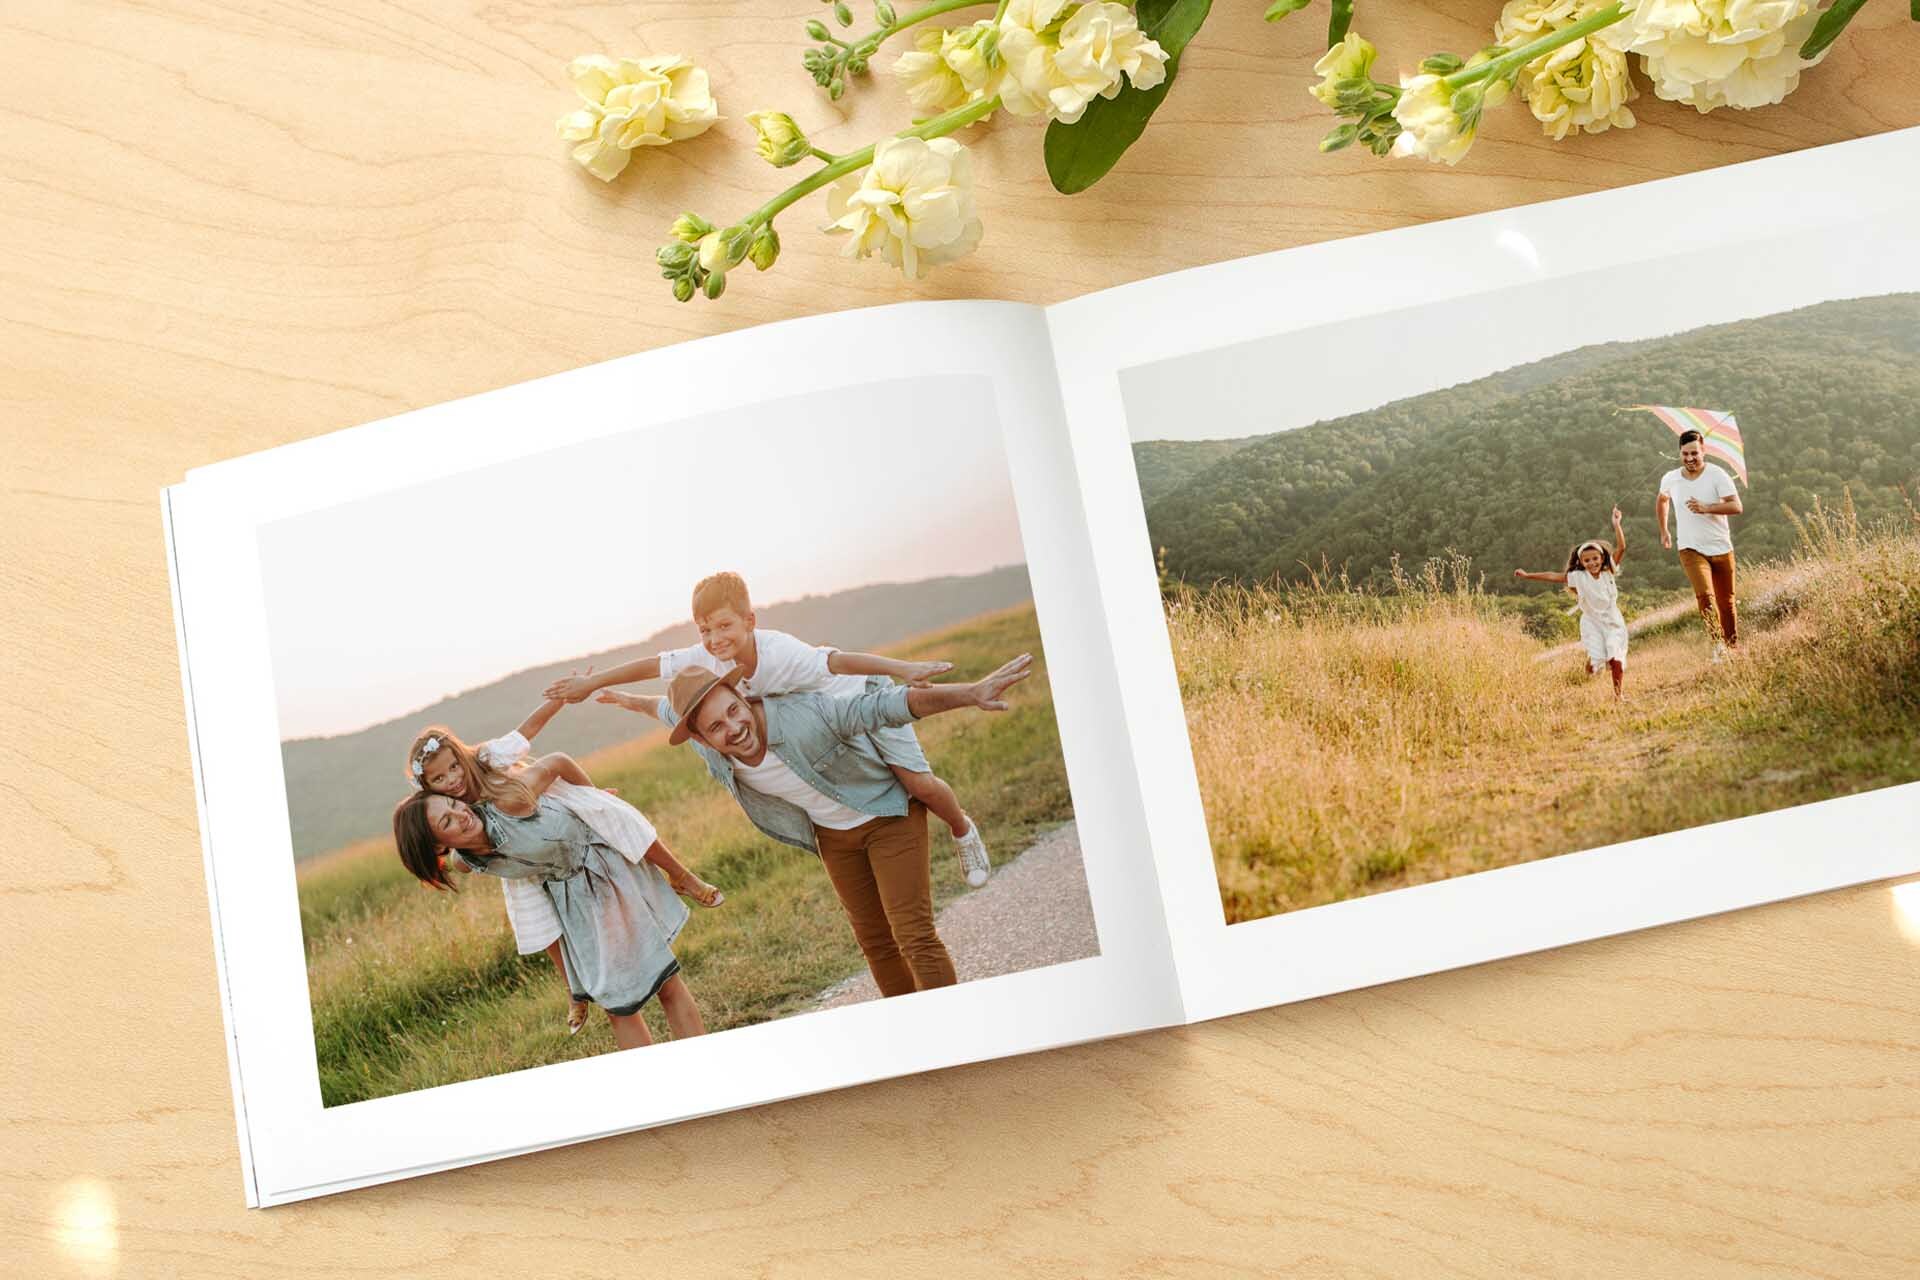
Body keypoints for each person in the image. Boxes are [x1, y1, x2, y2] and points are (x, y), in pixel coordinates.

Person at [602, 653, 1034, 998]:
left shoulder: (803, 716)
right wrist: (626, 699)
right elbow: (662, 708)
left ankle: (955, 1036)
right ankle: (916, 1039)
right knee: (876, 945)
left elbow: (884, 707)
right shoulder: (708, 747)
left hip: (887, 814)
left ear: (742, 696)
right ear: (699, 738)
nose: (734, 727)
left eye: (734, 710)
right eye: (716, 726)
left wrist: (969, 693)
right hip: (834, 840)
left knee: (913, 936)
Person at [545, 571, 995, 887]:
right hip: (820, 728)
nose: (715, 639)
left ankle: (962, 830)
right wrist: (597, 686)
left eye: (724, 625)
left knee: (916, 782)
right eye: (705, 630)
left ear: (750, 621)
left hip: (859, 700)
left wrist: (902, 668)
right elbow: (652, 668)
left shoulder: (781, 652)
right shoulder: (706, 658)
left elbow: (840, 661)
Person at [406, 705, 721, 1034]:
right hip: (525, 859)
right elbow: (452, 849)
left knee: (616, 818)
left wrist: (591, 795)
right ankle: (573, 989)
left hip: (546, 817)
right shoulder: (454, 817)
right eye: (439, 779)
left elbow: (531, 735)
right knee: (532, 915)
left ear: (461, 756)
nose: (452, 779)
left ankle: (682, 875)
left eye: (454, 767)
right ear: (428, 788)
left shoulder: (487, 760)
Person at [1516, 506, 1630, 700]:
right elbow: (1553, 576)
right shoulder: (1578, 577)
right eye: (1587, 560)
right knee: (1597, 661)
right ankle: (1588, 671)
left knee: (1615, 656)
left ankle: (1618, 696)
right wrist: (1528, 576)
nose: (1592, 563)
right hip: (1592, 622)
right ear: (1582, 563)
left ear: (1602, 558)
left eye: (1595, 559)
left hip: (1613, 621)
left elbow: (1622, 547)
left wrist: (1616, 524)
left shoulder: (1608, 571)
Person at [1656, 429, 1744, 661]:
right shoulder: (1670, 478)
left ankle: (1733, 648)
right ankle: (1718, 646)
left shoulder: (1717, 475)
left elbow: (1736, 506)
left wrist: (1707, 508)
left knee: (1726, 602)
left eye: (1694, 453)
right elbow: (1662, 500)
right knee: (1705, 596)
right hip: (1690, 548)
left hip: (1721, 546)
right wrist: (1664, 530)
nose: (1690, 458)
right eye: (1685, 454)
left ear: (1704, 451)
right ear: (1680, 453)